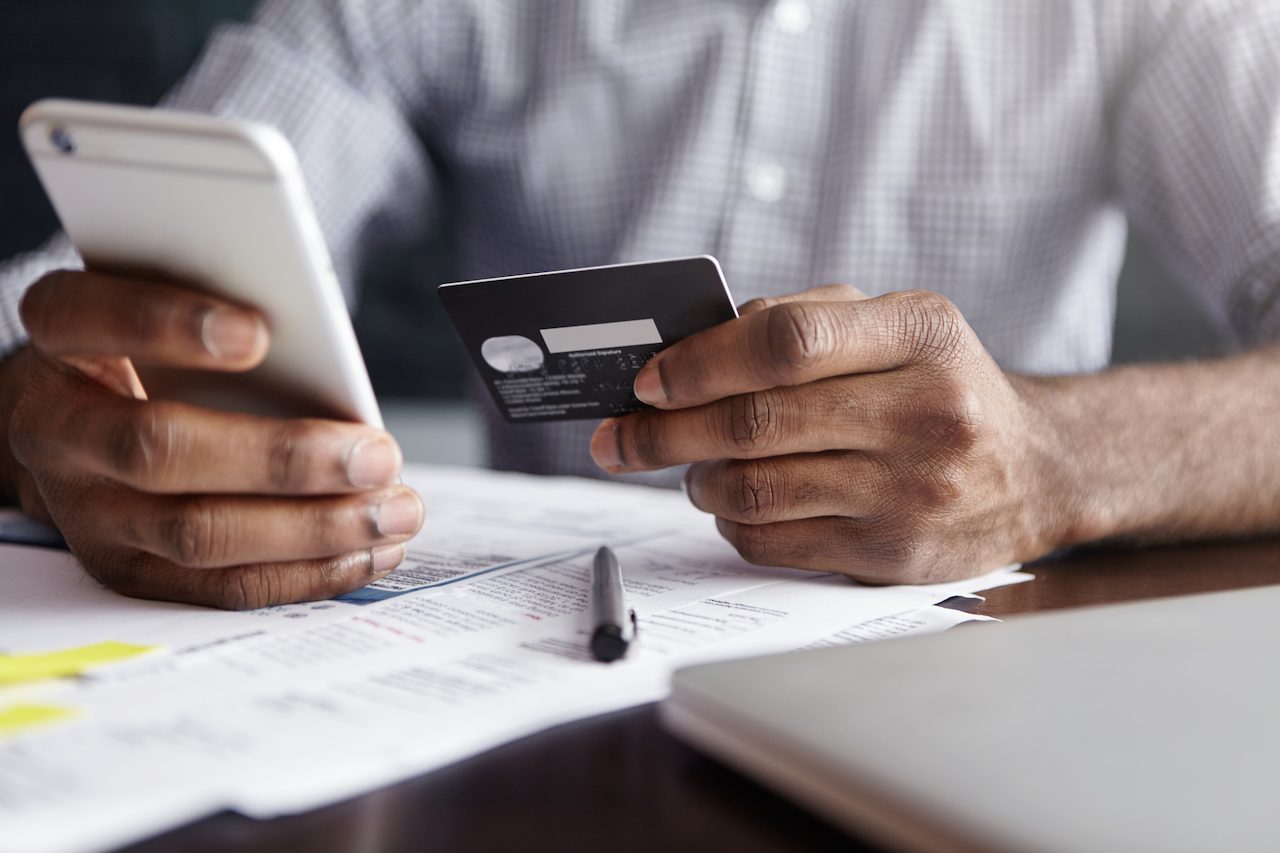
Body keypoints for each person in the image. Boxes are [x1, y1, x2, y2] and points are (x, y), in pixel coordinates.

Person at [2, 0, 1279, 610]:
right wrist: (42, 418)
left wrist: (1056, 459)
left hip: (988, 659)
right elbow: (83, 297)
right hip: (517, 678)